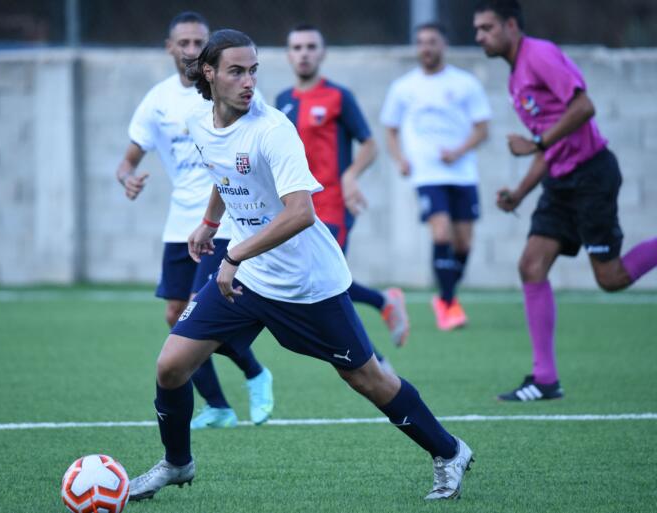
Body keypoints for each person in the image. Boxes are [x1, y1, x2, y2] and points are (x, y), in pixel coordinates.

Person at [128, 28, 473, 503]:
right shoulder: (198, 122)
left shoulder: (272, 129)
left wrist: (231, 254)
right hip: (251, 278)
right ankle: (177, 463)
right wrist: (210, 223)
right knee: (171, 366)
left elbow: (300, 212)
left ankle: (449, 450)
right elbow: (222, 170)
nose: (248, 81)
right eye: (236, 71)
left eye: (253, 70)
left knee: (366, 377)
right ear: (208, 74)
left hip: (307, 283)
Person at [473, 0, 657, 401]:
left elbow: (583, 107)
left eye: (486, 28)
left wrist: (537, 141)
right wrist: (520, 192)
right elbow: (549, 149)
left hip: (591, 175)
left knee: (611, 279)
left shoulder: (539, 55)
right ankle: (545, 379)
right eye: (477, 29)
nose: (479, 36)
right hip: (561, 182)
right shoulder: (514, 77)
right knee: (531, 265)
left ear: (510, 25)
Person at [114, 12, 273, 426]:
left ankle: (256, 373)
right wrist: (128, 179)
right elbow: (127, 161)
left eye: (196, 42)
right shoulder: (158, 101)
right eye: (181, 42)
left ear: (208, 53)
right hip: (178, 226)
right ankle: (219, 406)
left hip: (222, 223)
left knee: (202, 313)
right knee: (175, 316)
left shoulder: (232, 93)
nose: (188, 49)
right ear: (169, 47)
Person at [276, 24, 410, 348]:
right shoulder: (282, 100)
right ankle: (383, 303)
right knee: (318, 282)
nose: (304, 53)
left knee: (327, 280)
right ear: (288, 55)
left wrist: (350, 176)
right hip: (297, 206)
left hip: (333, 203)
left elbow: (370, 144)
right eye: (297, 47)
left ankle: (374, 361)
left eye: (311, 47)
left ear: (321, 53)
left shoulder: (339, 96)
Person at [381, 22, 491, 331]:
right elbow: (390, 128)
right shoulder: (404, 87)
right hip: (427, 174)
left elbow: (483, 128)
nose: (426, 48)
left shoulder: (465, 83)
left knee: (464, 243)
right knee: (441, 232)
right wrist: (400, 158)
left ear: (444, 44)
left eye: (432, 41)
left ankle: (446, 296)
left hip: (463, 173)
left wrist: (458, 151)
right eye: (421, 42)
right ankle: (446, 303)